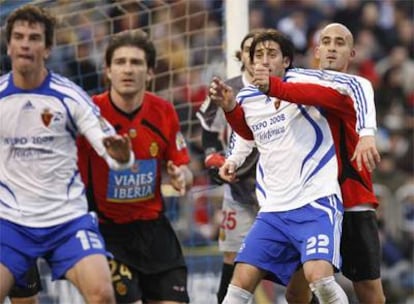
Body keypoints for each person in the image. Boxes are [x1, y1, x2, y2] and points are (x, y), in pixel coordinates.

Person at [223, 23, 385, 304]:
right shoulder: (295, 86)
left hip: (350, 199)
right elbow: (253, 128)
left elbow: (360, 85)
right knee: (297, 291)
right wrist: (232, 157)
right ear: (316, 51)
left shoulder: (346, 91)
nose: (333, 47)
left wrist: (368, 133)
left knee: (368, 290)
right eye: (326, 41)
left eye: (340, 43)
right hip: (305, 203)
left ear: (352, 53)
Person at [0, 5, 135, 304]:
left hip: (67, 221)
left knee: (102, 295)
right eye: (19, 37)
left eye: (34, 38)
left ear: (47, 49)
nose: (25, 44)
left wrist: (122, 156)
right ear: (9, 45)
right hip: (11, 222)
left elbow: (112, 148)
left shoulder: (70, 96)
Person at [77, 29, 194, 304]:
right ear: (107, 71)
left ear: (150, 72)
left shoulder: (164, 111)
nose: (128, 69)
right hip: (107, 232)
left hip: (153, 229)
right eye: (120, 62)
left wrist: (182, 177)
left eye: (136, 62)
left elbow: (182, 166)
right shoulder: (89, 113)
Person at [196, 30, 260, 303]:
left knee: (297, 265)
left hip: (280, 192)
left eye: (263, 50)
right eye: (250, 50)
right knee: (232, 257)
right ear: (241, 55)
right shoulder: (225, 89)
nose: (256, 55)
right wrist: (213, 157)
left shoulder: (285, 89)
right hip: (238, 188)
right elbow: (208, 129)